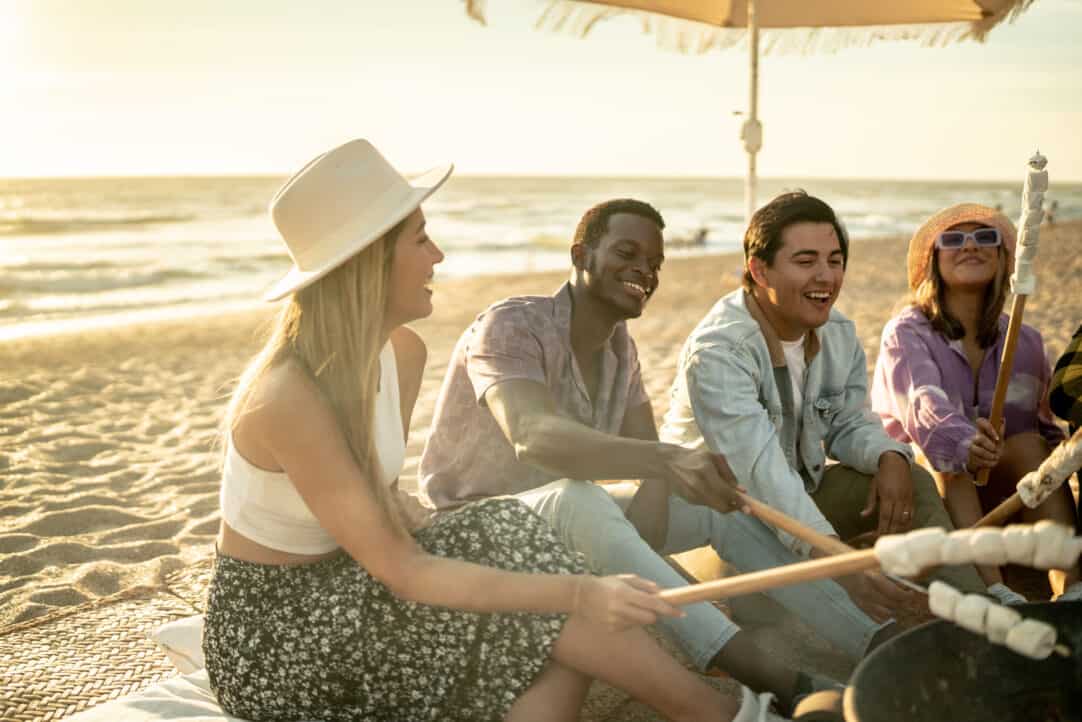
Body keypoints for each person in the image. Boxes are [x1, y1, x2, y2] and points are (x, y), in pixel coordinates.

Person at [202, 139, 783, 722]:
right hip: (279, 638)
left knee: (516, 558)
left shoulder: (400, 353)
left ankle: (711, 710)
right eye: (420, 239)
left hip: (348, 586)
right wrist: (580, 591)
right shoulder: (287, 399)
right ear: (367, 260)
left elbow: (370, 493)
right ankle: (718, 713)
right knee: (532, 572)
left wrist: (400, 507)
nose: (439, 256)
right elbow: (402, 570)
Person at [419, 197, 887, 716]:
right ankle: (778, 679)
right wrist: (663, 463)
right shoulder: (511, 324)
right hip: (474, 535)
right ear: (580, 255)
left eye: (656, 262)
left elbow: (649, 457)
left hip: (567, 535)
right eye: (627, 252)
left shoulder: (622, 348)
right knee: (581, 499)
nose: (645, 269)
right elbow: (533, 434)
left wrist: (658, 504)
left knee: (721, 506)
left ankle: (877, 644)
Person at [659, 191, 986, 619]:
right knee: (765, 611)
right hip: (723, 524)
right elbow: (763, 477)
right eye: (805, 261)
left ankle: (975, 612)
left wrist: (888, 454)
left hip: (798, 501)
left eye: (834, 261)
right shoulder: (720, 352)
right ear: (759, 270)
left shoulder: (838, 332)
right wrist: (839, 564)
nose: (825, 277)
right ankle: (844, 580)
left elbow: (849, 421)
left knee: (912, 480)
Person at [870, 202, 1081, 603]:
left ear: (1003, 258)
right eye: (953, 239)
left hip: (1004, 502)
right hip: (927, 491)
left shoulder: (1025, 339)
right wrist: (966, 442)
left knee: (1031, 446)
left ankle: (1070, 589)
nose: (970, 246)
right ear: (934, 259)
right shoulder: (906, 332)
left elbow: (1045, 428)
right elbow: (922, 405)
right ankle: (995, 590)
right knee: (946, 458)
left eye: (985, 237)